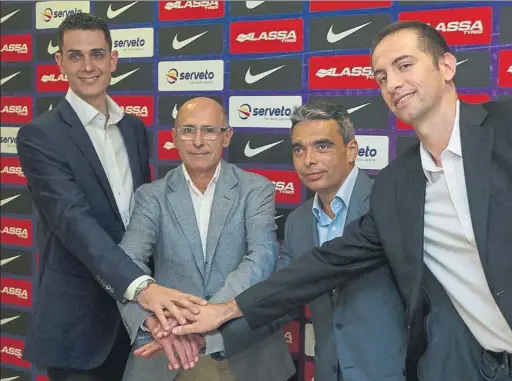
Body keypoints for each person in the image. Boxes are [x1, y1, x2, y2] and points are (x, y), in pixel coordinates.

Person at [168, 21, 512, 381]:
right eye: (381, 76)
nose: (392, 83)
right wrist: (226, 310)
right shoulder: (398, 184)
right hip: (486, 369)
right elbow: (328, 263)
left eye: (404, 65)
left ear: (446, 66)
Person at [16, 13, 204, 381]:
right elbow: (73, 221)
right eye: (76, 56)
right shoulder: (39, 136)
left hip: (137, 323)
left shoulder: (134, 129)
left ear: (113, 60)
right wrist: (142, 287)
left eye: (97, 54)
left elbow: (142, 219)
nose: (88, 66)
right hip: (79, 327)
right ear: (60, 62)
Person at [191, 99, 407, 381]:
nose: (309, 160)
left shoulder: (387, 203)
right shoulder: (298, 222)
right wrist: (208, 340)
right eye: (298, 149)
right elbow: (280, 301)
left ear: (351, 150)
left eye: (323, 146)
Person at [116, 97, 295, 381]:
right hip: (167, 350)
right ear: (174, 137)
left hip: (246, 352)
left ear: (227, 136)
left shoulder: (255, 189)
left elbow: (261, 257)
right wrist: (151, 321)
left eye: (209, 130)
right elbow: (124, 267)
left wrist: (207, 317)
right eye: (188, 130)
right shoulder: (151, 196)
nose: (198, 140)